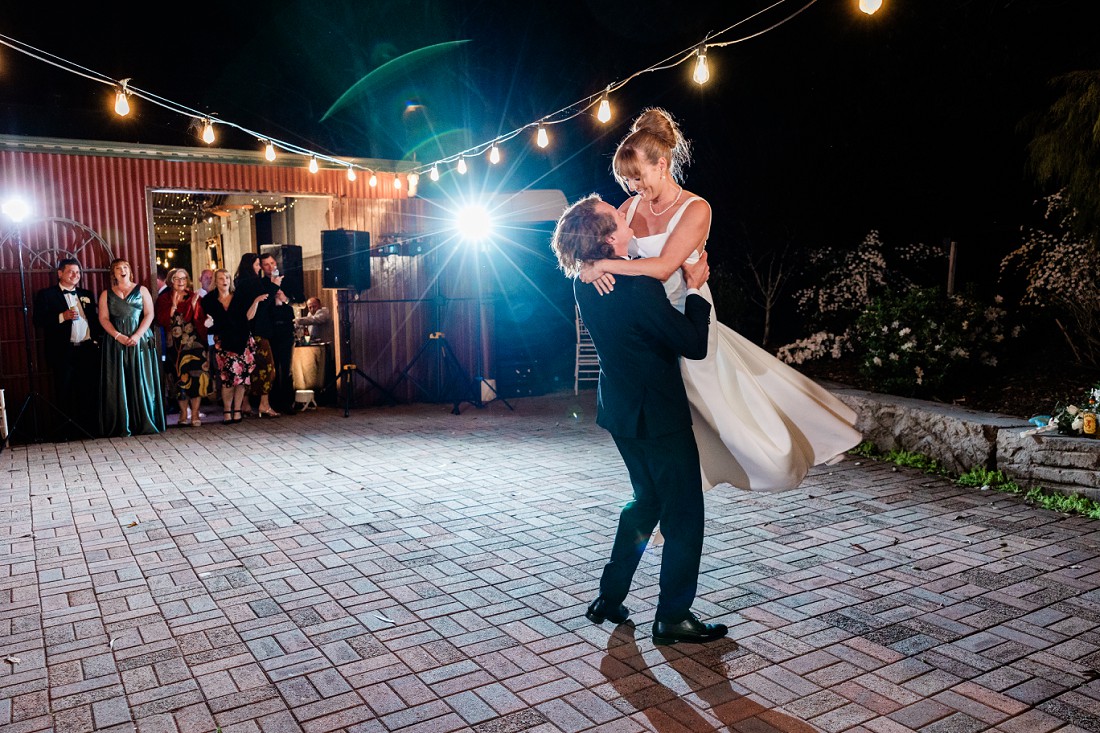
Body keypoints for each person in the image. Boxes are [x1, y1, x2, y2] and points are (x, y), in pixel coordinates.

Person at [580, 107, 861, 492]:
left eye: (637, 177)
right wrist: (588, 263)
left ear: (661, 165)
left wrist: (602, 265)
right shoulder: (629, 209)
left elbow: (664, 267)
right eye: (627, 179)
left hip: (690, 314)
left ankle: (781, 459)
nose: (632, 187)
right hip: (653, 324)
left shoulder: (696, 209)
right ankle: (679, 488)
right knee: (677, 409)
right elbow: (603, 242)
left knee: (722, 409)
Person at [552, 192, 728, 646]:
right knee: (683, 513)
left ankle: (609, 597)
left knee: (646, 501)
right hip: (659, 415)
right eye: (616, 217)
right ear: (609, 239)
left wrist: (596, 264)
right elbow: (693, 343)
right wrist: (695, 289)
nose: (625, 215)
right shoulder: (637, 287)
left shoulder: (585, 281)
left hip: (620, 411)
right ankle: (673, 617)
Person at [32, 257, 102, 439]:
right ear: (60, 273)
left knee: (88, 390)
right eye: (71, 272)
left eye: (78, 272)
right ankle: (66, 433)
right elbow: (38, 321)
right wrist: (62, 316)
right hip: (63, 351)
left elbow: (94, 320)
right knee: (64, 391)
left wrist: (97, 341)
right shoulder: (46, 295)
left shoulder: (87, 294)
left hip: (87, 350)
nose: (75, 275)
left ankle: (89, 430)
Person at [98, 258, 165, 436]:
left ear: (130, 271)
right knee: (119, 382)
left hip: (139, 340)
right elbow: (103, 318)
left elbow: (149, 314)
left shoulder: (142, 290)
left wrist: (137, 335)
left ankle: (145, 421)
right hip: (116, 342)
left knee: (141, 379)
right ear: (113, 273)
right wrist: (118, 336)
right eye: (118, 268)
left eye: (125, 267)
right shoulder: (106, 294)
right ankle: (122, 424)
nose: (122, 270)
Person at [202, 268, 262, 424]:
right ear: (216, 281)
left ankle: (237, 410)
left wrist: (255, 302)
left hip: (241, 340)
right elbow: (206, 321)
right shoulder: (209, 300)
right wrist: (208, 323)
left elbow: (248, 317)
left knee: (241, 379)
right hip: (223, 342)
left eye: (227, 278)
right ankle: (227, 411)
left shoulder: (239, 297)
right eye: (221, 278)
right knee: (227, 379)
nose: (225, 281)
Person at [155, 268, 209, 427]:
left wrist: (194, 306)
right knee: (178, 379)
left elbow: (201, 321)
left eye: (183, 278)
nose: (180, 282)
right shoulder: (164, 299)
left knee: (196, 378)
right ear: (171, 281)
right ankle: (184, 412)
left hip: (195, 344)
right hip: (175, 346)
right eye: (177, 279)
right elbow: (161, 320)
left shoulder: (194, 297)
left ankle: (195, 413)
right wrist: (173, 306)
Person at [233, 253, 279, 417]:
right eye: (258, 264)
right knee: (266, 368)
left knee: (248, 368)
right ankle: (264, 404)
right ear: (250, 266)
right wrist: (274, 286)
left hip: (245, 331)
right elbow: (262, 304)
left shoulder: (239, 282)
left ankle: (245, 405)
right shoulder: (253, 283)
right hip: (258, 331)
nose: (260, 268)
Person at [259, 252, 295, 414]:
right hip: (270, 330)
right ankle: (271, 402)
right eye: (266, 264)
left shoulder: (287, 281)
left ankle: (287, 402)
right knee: (271, 368)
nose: (270, 267)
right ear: (262, 267)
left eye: (272, 263)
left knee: (286, 367)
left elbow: (300, 301)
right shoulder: (261, 284)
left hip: (286, 328)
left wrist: (285, 298)